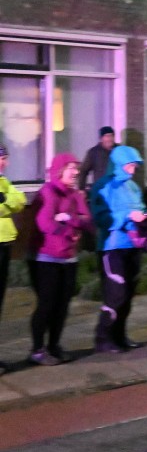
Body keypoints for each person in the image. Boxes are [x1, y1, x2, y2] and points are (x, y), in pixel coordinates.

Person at [29, 154, 92, 365]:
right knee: (46, 304)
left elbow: (87, 221)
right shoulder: (48, 192)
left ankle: (54, 346)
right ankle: (38, 349)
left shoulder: (75, 194)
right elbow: (44, 223)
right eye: (71, 168)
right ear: (59, 170)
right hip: (46, 257)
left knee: (63, 305)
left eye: (76, 169)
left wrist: (68, 219)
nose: (76, 173)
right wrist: (69, 230)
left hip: (69, 257)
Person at [89, 145, 147, 353]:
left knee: (129, 294)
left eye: (134, 166)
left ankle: (119, 335)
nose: (133, 169)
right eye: (130, 165)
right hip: (111, 247)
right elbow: (101, 218)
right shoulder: (102, 187)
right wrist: (126, 217)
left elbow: (139, 208)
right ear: (119, 164)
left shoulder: (133, 187)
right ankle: (102, 337)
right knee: (116, 294)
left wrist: (142, 218)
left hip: (131, 245)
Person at [0, 143, 27, 374]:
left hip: (5, 243)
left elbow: (19, 201)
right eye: (1, 158)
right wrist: (6, 202)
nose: (4, 163)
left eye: (6, 158)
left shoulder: (4, 182)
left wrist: (4, 200)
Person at [78, 126, 117, 191]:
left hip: (117, 190)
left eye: (111, 136)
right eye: (107, 136)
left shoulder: (119, 150)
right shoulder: (93, 153)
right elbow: (83, 171)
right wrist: (81, 189)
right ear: (101, 138)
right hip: (100, 190)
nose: (110, 139)